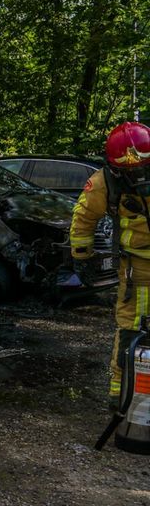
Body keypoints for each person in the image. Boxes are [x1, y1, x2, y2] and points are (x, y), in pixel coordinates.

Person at [71, 121, 150, 408]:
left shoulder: (108, 180)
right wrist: (82, 257)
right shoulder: (104, 183)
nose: (138, 176)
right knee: (130, 330)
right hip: (135, 270)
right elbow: (83, 220)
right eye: (130, 172)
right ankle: (122, 396)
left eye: (142, 169)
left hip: (136, 268)